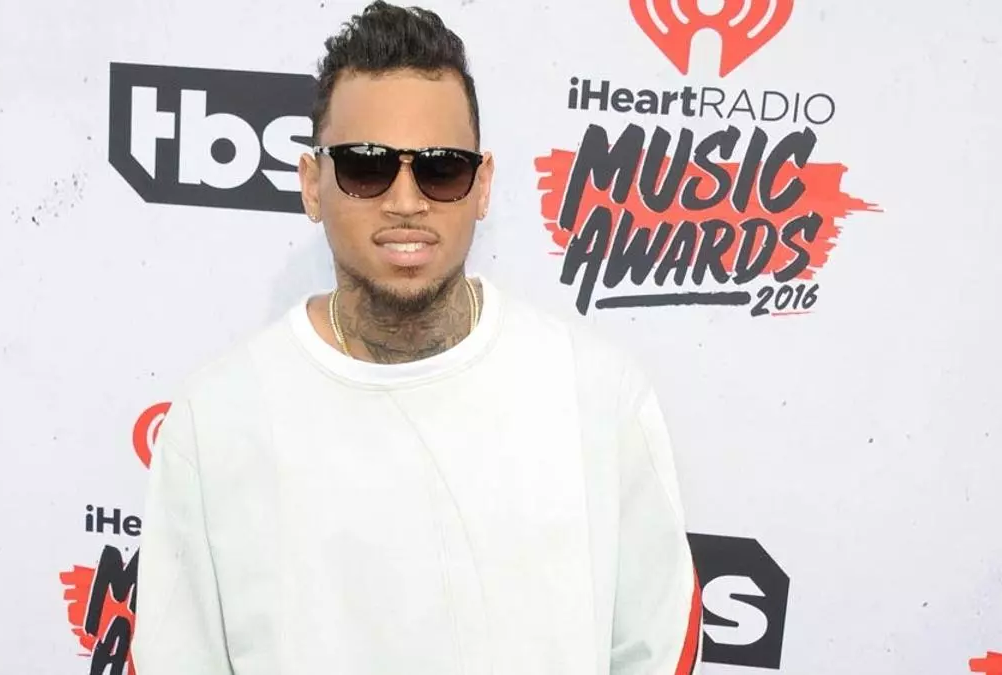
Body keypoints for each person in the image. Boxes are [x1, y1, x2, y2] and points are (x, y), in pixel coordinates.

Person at [132, 2, 702, 673]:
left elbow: (659, 646)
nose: (406, 201)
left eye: (441, 168)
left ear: (482, 187)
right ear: (312, 185)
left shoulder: (597, 394)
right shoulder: (216, 419)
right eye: (366, 167)